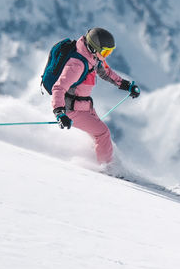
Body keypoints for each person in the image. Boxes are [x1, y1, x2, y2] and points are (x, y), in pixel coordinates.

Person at [51, 27, 141, 165]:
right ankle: (105, 169)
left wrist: (126, 85)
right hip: (71, 110)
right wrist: (59, 113)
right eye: (105, 51)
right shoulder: (77, 64)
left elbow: (107, 73)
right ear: (94, 48)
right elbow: (58, 87)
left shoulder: (93, 58)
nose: (107, 55)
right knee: (102, 133)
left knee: (98, 135)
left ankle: (100, 162)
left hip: (85, 106)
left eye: (110, 52)